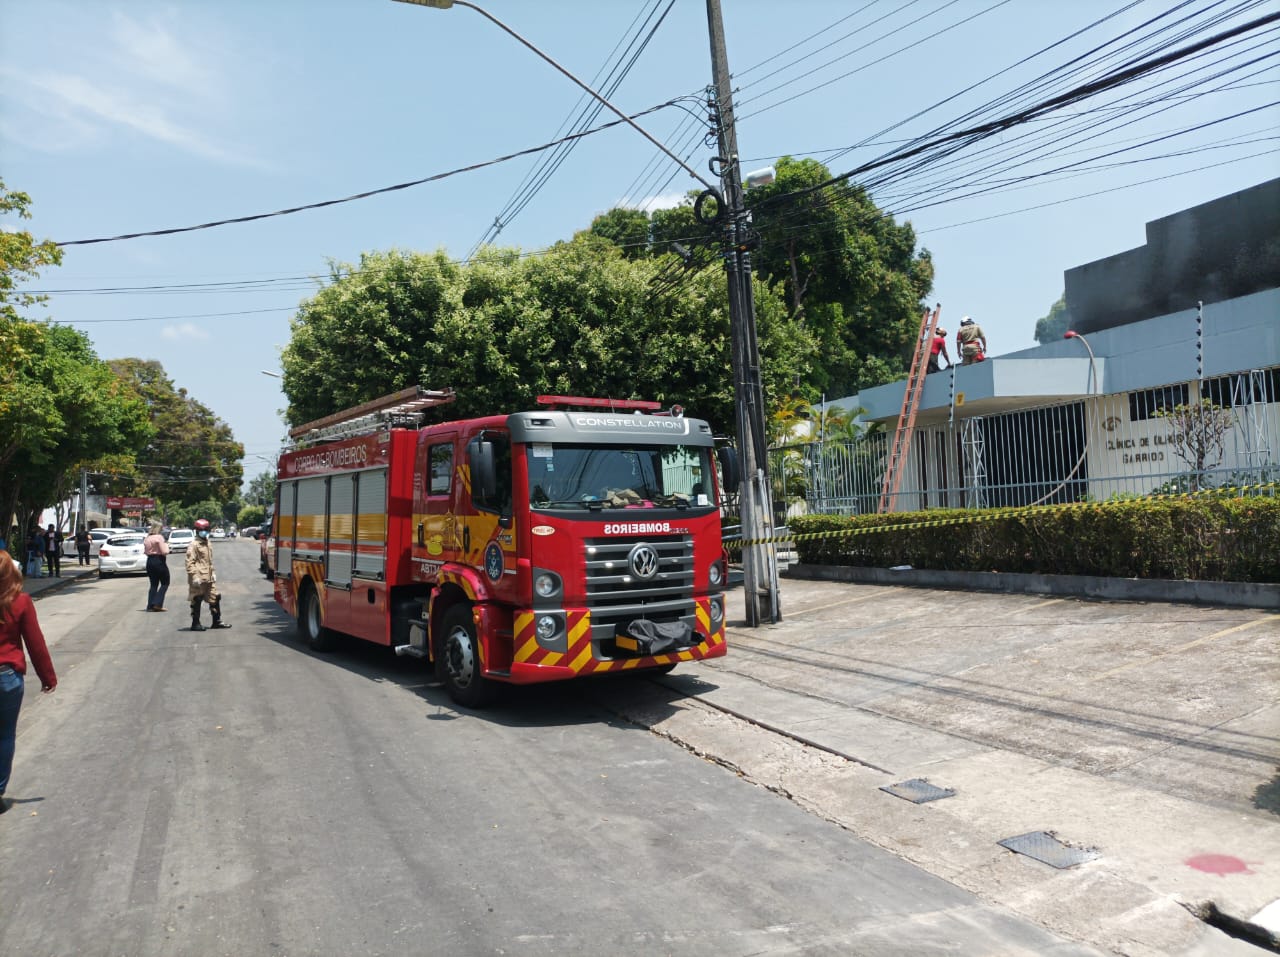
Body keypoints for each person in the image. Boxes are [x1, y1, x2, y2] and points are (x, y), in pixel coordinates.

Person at [0, 554, 58, 813]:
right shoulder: (19, 601)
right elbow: (35, 643)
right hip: (6, 678)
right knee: (4, 735)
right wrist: (48, 677)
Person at [185, 518, 229, 632]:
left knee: (215, 597)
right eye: (201, 529)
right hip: (198, 578)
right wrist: (194, 576)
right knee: (197, 599)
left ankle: (217, 621)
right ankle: (195, 623)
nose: (204, 531)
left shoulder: (208, 543)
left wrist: (213, 573)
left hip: (209, 577)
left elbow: (209, 561)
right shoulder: (194, 545)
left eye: (206, 529)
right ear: (197, 530)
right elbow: (190, 563)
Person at [143, 521, 170, 612]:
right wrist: (167, 545)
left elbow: (145, 552)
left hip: (150, 561)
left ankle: (150, 606)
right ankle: (157, 604)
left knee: (153, 584)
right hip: (159, 560)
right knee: (165, 583)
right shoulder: (159, 537)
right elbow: (164, 552)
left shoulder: (147, 538)